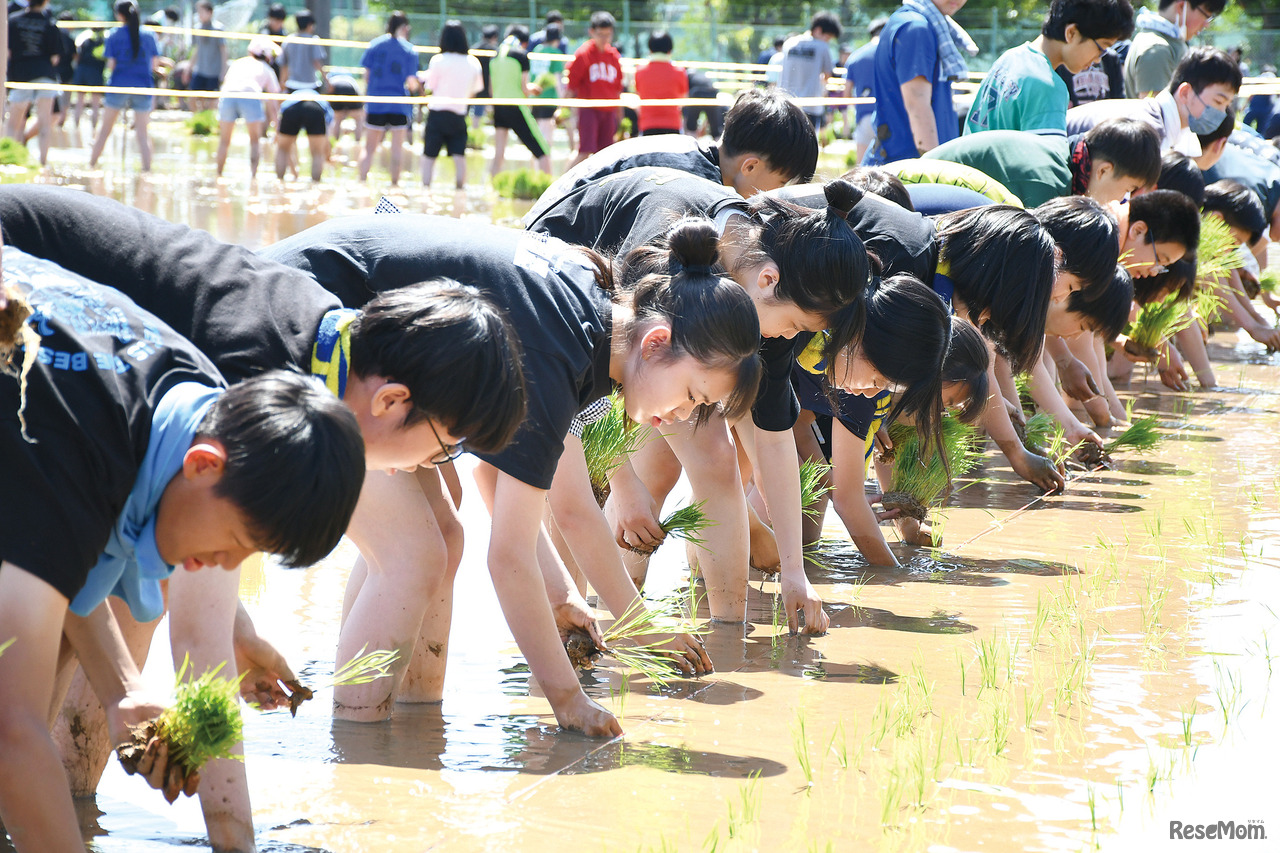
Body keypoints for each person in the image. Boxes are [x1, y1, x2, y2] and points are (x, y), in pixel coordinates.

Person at [260, 213, 765, 734]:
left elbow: (501, 479)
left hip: (362, 345)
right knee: (410, 552)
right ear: (656, 342)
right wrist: (568, 700)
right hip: (301, 324)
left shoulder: (586, 320)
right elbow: (510, 555)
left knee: (441, 537)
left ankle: (413, 728)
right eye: (691, 397)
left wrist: (564, 594)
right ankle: (359, 749)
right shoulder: (557, 350)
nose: (683, 416)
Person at [0, 246, 365, 853]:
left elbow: (59, 552)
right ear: (203, 466)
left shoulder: (188, 393)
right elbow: (11, 732)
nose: (223, 568)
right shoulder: (83, 439)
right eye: (236, 546)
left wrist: (124, 691)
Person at [530, 168, 875, 633]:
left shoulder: (762, 313)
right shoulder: (673, 255)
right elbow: (587, 381)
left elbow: (773, 441)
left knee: (711, 454)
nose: (786, 339)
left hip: (626, 344)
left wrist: (796, 572)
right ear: (769, 279)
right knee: (585, 480)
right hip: (555, 282)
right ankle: (587, 631)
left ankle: (726, 634)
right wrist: (621, 480)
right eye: (793, 326)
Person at [524, 88, 818, 226]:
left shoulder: (691, 153)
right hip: (550, 241)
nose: (778, 198)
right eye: (780, 184)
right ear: (750, 165)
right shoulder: (694, 182)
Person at [965, 0, 1135, 136]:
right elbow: (1044, 172)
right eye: (1101, 47)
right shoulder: (1046, 85)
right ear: (1071, 33)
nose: (1099, 59)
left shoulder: (1009, 59)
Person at [923, 117, 1162, 206]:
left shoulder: (1065, 158)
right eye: (1128, 189)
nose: (1122, 199)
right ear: (1103, 171)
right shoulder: (1049, 185)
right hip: (910, 193)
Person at [1067, 45, 1240, 160]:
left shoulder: (1173, 128)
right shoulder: (1146, 130)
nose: (1222, 113)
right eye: (1218, 101)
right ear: (1186, 93)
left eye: (1227, 105)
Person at [866, 0, 969, 164]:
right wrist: (935, 174)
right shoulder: (916, 28)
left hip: (903, 164)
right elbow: (917, 107)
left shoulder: (914, 21)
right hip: (910, 170)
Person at [88, 0, 161, 172]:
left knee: (104, 131)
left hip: (118, 87)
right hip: (143, 87)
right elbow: (155, 65)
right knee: (143, 135)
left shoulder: (113, 35)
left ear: (119, 15)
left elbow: (111, 66)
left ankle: (91, 166)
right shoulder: (149, 35)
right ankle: (147, 172)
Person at [358, 11, 420, 185]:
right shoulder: (409, 49)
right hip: (398, 104)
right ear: (405, 27)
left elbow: (366, 76)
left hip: (376, 103)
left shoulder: (374, 45)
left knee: (369, 148)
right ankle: (395, 185)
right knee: (397, 149)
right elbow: (412, 83)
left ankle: (361, 182)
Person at [420, 19, 481, 189]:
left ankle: (425, 190)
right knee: (459, 157)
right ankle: (460, 191)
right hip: (459, 114)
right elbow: (474, 91)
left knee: (429, 157)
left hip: (437, 113)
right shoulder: (473, 62)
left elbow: (430, 87)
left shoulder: (438, 60)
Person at [1124, 0, 1226, 98]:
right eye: (1206, 16)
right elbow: (1154, 112)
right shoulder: (1157, 50)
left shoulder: (1164, 41)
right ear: (1181, 6)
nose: (1206, 24)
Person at [214, 37, 280, 179]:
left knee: (224, 141)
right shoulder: (267, 69)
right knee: (255, 141)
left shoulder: (238, 63)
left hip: (228, 95)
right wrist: (276, 124)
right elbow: (273, 100)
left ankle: (218, 175)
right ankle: (253, 177)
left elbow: (225, 83)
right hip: (250, 95)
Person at [490, 25, 550, 176]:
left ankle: (492, 187)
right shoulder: (521, 55)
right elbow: (524, 88)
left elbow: (491, 89)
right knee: (542, 150)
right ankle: (549, 189)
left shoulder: (495, 55)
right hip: (516, 106)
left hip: (498, 107)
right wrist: (535, 88)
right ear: (524, 42)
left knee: (499, 153)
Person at [6, 0, 60, 165]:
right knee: (45, 124)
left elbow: (8, 52)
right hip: (45, 74)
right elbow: (55, 58)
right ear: (45, 2)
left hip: (20, 75)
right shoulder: (50, 23)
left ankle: (8, 161)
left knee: (14, 123)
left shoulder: (13, 21)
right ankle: (43, 163)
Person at [566, 11, 622, 166]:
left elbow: (617, 90)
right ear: (592, 32)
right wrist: (563, 109)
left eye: (608, 34)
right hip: (589, 110)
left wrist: (620, 117)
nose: (604, 39)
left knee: (606, 156)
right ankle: (562, 186)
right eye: (600, 34)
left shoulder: (614, 56)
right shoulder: (583, 54)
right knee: (584, 152)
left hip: (609, 111)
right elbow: (572, 86)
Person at [778, 11, 841, 129]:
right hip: (811, 105)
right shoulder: (822, 47)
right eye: (827, 37)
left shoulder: (789, 43)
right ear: (818, 30)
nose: (827, 41)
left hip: (785, 102)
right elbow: (827, 75)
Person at [844, 17, 886, 160]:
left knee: (862, 169)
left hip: (864, 116)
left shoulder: (855, 56)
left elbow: (846, 93)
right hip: (890, 116)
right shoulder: (893, 54)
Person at [635, 30, 686, 136]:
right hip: (673, 126)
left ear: (650, 50)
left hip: (647, 126)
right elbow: (683, 98)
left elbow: (638, 95)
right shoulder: (679, 72)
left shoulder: (640, 71)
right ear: (670, 50)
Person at [276, 87, 331, 181]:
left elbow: (279, 133)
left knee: (282, 149)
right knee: (317, 153)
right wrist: (328, 156)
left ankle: (280, 181)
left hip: (292, 109)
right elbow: (327, 138)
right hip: (315, 109)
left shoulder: (290, 99)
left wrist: (295, 174)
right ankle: (315, 184)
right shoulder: (321, 100)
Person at [529, 22, 567, 146]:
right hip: (549, 99)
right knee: (546, 137)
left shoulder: (537, 50)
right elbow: (557, 79)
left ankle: (535, 164)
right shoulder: (555, 53)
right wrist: (562, 102)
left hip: (535, 98)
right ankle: (543, 164)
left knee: (536, 134)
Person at [187, 0, 225, 111]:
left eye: (202, 12)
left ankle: (207, 124)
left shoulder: (218, 28)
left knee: (212, 102)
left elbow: (223, 50)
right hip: (200, 70)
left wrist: (223, 71)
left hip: (214, 71)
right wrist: (189, 67)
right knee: (192, 98)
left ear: (210, 12)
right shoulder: (198, 28)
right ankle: (199, 121)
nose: (199, 15)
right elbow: (197, 49)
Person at [279, 9, 326, 93]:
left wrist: (282, 83)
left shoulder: (289, 40)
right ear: (309, 25)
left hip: (292, 85)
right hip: (310, 85)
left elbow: (283, 64)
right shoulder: (313, 40)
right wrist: (326, 79)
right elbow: (316, 62)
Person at [71, 24, 106, 132]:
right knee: (95, 104)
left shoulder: (85, 39)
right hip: (95, 73)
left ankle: (76, 129)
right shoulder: (104, 41)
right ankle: (94, 130)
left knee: (79, 102)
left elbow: (77, 56)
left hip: (82, 71)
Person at [471, 23, 499, 129]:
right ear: (494, 37)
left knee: (476, 112)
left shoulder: (475, 48)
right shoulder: (495, 51)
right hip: (490, 84)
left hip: (474, 83)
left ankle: (475, 130)